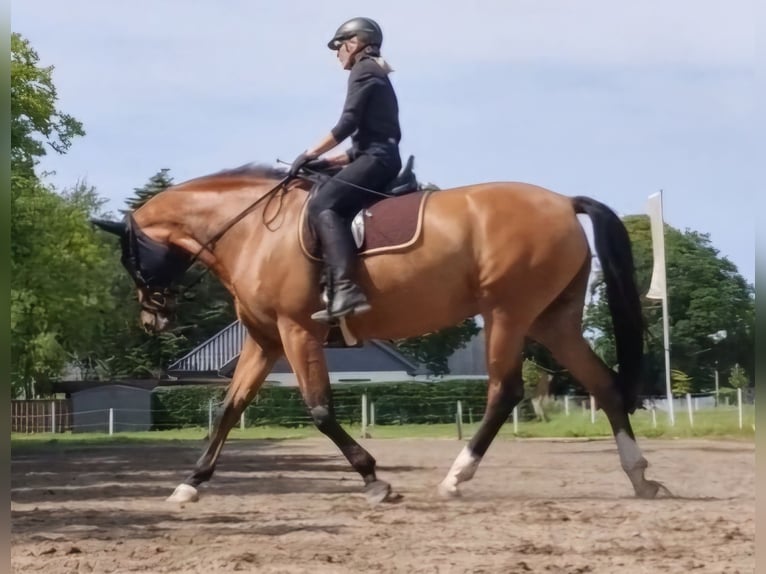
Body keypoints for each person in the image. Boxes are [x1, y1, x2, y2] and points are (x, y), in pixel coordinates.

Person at [288, 17, 403, 323]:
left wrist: (309, 152)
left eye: (338, 46)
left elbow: (347, 124)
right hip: (378, 155)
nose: (337, 53)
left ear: (354, 42)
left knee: (322, 204)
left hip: (378, 159)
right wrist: (323, 162)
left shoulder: (363, 70)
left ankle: (344, 287)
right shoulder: (375, 71)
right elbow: (359, 146)